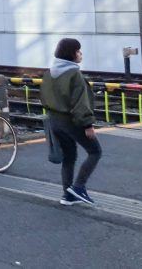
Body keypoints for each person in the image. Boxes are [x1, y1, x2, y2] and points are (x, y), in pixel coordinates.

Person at [40, 37, 102, 206]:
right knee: (95, 151)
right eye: (79, 51)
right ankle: (79, 186)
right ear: (72, 54)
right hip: (72, 121)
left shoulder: (49, 73)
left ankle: (67, 195)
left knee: (69, 157)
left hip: (54, 121)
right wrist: (88, 125)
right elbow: (80, 103)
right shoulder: (75, 75)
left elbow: (43, 97)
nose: (81, 54)